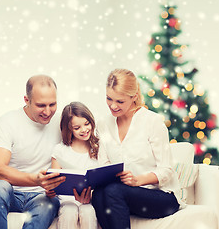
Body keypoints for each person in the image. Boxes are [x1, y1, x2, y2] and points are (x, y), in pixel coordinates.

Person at [92, 69, 183, 229]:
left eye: (120, 101)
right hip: (122, 193)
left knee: (113, 191)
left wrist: (137, 180)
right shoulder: (104, 124)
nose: (113, 106)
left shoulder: (152, 121)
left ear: (134, 97)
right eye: (109, 98)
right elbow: (104, 164)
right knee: (99, 193)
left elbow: (167, 170)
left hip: (161, 196)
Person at [0, 75, 66, 229]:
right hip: (11, 193)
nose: (48, 112)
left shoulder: (62, 122)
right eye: (41, 105)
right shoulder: (7, 122)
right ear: (27, 100)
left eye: (52, 104)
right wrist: (35, 179)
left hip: (43, 196)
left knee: (50, 202)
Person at [47, 101, 100, 229]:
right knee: (69, 211)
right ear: (68, 129)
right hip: (67, 201)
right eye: (77, 128)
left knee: (88, 211)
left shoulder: (98, 147)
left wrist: (90, 196)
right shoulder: (60, 150)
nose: (84, 130)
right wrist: (49, 190)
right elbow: (53, 181)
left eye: (86, 124)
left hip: (90, 201)